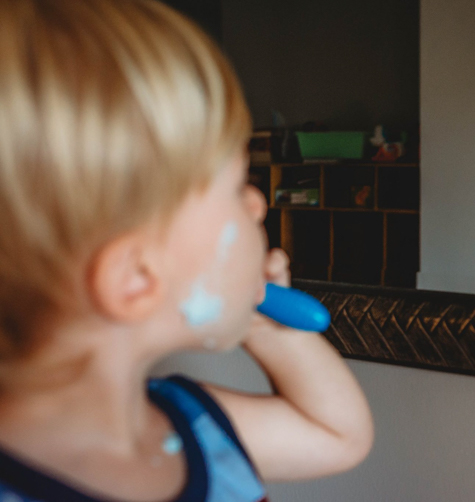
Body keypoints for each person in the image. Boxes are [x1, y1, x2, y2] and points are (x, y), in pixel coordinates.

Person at [0, 1, 373, 500]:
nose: (258, 203)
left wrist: (266, 328)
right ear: (137, 277)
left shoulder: (193, 425)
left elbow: (338, 436)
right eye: (239, 185)